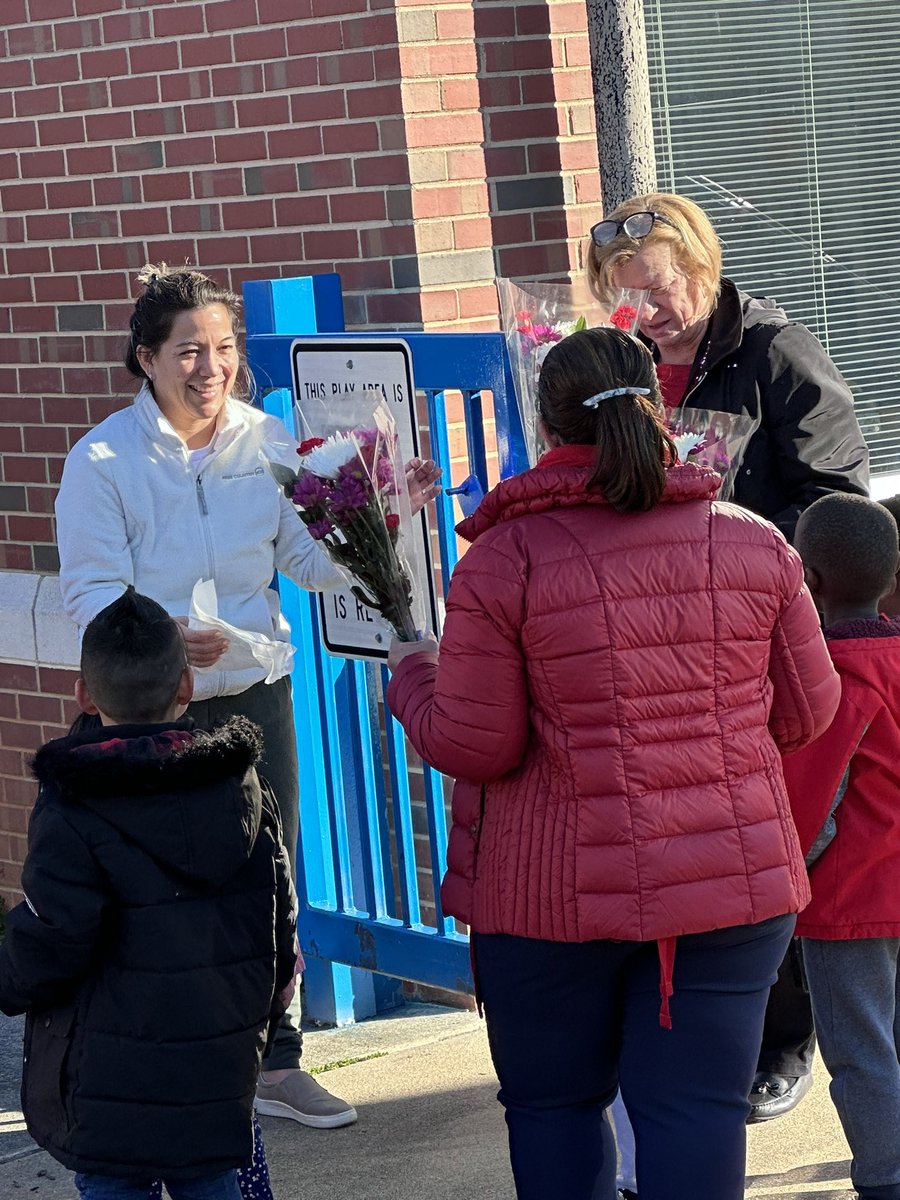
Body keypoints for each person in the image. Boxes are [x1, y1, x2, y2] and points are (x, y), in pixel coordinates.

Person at [385, 326, 840, 1200]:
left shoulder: (506, 559)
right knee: (699, 1113)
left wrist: (411, 676)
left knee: (554, 1109)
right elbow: (808, 711)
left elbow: (476, 743)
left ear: (546, 425)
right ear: (657, 411)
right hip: (729, 880)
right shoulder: (753, 541)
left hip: (550, 893)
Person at [53, 263, 440, 1130]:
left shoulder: (266, 438)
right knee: (158, 893)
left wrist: (380, 514)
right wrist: (157, 633)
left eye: (224, 347)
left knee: (269, 882)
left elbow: (306, 561)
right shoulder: (102, 460)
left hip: (256, 693)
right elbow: (90, 589)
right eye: (189, 350)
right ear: (146, 358)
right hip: (152, 707)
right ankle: (171, 1066)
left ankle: (277, 1061)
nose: (212, 367)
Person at [588, 191, 870, 1122]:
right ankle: (707, 1025)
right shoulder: (621, 365)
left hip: (765, 634)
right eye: (626, 297)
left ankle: (786, 1040)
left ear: (703, 270)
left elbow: (838, 500)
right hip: (662, 643)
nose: (646, 313)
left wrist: (735, 546)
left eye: (659, 290)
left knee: (772, 835)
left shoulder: (778, 354)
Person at [0, 588, 296, 1200]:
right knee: (213, 1180)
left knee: (114, 1183)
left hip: (106, 1077)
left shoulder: (74, 806)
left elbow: (51, 939)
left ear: (83, 695)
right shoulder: (241, 788)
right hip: (216, 1063)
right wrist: (269, 1008)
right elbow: (277, 911)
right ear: (186, 686)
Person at [782, 493, 900, 1200]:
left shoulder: (827, 679)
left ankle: (887, 1181)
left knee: (863, 1054)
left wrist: (782, 880)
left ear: (809, 579)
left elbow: (812, 810)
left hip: (850, 900)